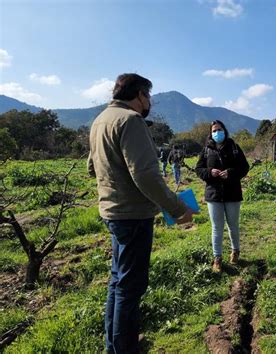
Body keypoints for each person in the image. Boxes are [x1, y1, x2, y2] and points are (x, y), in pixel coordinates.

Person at [87, 73, 195, 353]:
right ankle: (124, 348)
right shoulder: (130, 121)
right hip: (132, 214)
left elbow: (91, 167)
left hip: (112, 211)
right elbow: (145, 175)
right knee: (130, 287)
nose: (149, 103)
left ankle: (115, 344)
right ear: (138, 96)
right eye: (148, 97)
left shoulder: (100, 121)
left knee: (118, 282)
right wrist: (177, 208)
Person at [195, 120, 249, 272]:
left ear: (224, 131)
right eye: (214, 130)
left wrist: (231, 173)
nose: (217, 133)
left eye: (219, 129)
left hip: (232, 193)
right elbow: (198, 169)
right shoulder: (206, 149)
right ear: (210, 133)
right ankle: (217, 258)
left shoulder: (234, 147)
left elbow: (244, 167)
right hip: (214, 194)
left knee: (233, 226)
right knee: (216, 228)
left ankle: (235, 251)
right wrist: (209, 172)